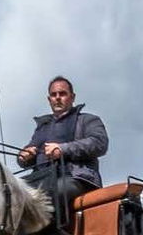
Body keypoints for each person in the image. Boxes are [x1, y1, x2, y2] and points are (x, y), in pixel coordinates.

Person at [18, 76, 109, 210]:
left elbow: (99, 143)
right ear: (49, 99)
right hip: (41, 179)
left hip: (76, 179)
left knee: (53, 191)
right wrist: (24, 156)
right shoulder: (42, 127)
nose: (58, 98)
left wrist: (63, 149)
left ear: (72, 97)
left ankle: (46, 231)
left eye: (62, 94)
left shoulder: (88, 120)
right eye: (54, 95)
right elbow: (27, 154)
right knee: (11, 195)